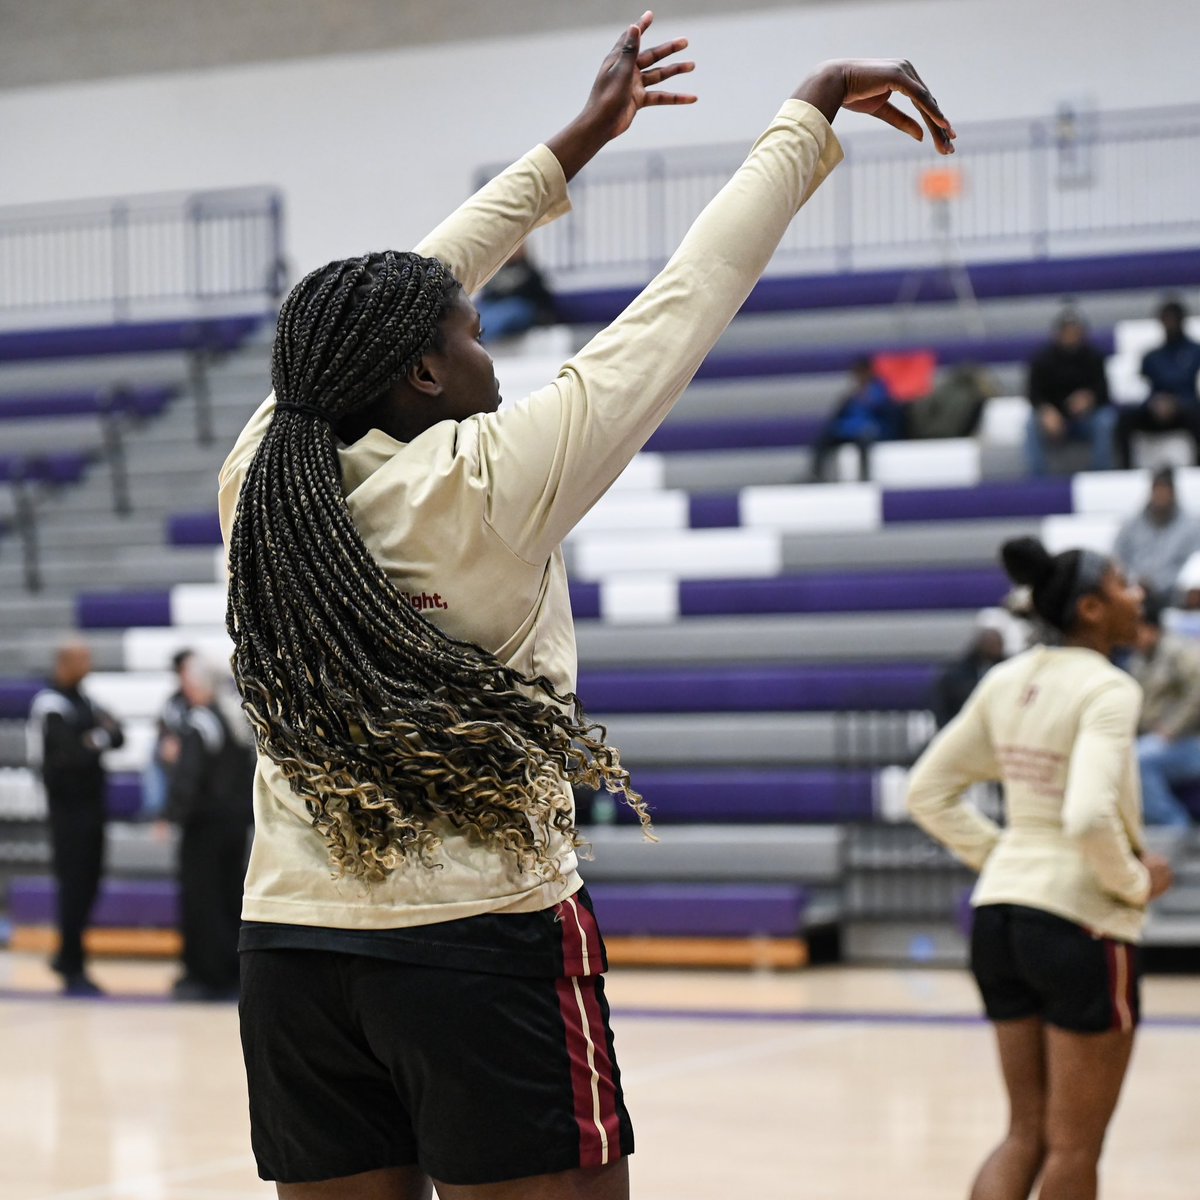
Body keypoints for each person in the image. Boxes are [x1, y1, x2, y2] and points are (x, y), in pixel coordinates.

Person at [218, 15, 955, 1198]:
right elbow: (689, 297)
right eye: (467, 333)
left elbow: (408, 285)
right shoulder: (492, 480)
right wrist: (801, 113)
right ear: (420, 372)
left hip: (291, 944)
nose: (485, 344)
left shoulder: (263, 467)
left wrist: (575, 143)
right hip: (479, 939)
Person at [907, 536, 1174, 1200]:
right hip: (1080, 925)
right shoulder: (1109, 688)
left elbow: (926, 793)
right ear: (1090, 609)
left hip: (999, 916)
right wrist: (1136, 884)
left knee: (1024, 1134)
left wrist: (1008, 859)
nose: (1138, 591)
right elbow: (1086, 817)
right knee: (1075, 1146)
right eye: (1122, 584)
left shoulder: (1007, 678)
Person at [26, 640, 124, 996]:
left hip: (92, 809)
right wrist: (97, 739)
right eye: (83, 658)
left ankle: (68, 955)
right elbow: (67, 758)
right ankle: (71, 963)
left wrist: (92, 741)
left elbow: (118, 734)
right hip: (67, 814)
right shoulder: (51, 705)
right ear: (64, 663)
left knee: (90, 884)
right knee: (74, 888)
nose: (90, 663)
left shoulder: (85, 700)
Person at [167, 657, 256, 1000]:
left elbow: (189, 777)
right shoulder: (234, 718)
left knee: (202, 899)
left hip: (205, 827)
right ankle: (230, 971)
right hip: (234, 825)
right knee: (229, 896)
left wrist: (173, 814)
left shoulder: (199, 722)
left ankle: (205, 974)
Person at [1128, 594, 1200, 828]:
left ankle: (1175, 827)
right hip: (1157, 740)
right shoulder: (1139, 659)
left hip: (1188, 739)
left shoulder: (1180, 651)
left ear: (1151, 628)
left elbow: (1197, 694)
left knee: (1138, 760)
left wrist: (1171, 728)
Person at [1024, 311, 1117, 476]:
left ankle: (1102, 474)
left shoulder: (1094, 357)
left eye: (1075, 332)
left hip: (1086, 419)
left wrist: (1090, 398)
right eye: (1067, 332)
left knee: (1106, 420)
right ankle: (1038, 478)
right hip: (1055, 420)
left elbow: (1105, 392)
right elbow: (1033, 393)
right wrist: (1047, 411)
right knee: (1031, 424)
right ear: (1057, 334)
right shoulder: (1042, 359)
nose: (1071, 337)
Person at [1114, 299, 1200, 469]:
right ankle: (1125, 469)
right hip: (1155, 409)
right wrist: (1154, 403)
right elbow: (1141, 387)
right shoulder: (1152, 356)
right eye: (1165, 320)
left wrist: (1176, 403)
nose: (1169, 324)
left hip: (1186, 409)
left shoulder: (1195, 351)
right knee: (1124, 419)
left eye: (1173, 319)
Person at [1112, 466, 1200, 599]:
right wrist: (1135, 580)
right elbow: (1116, 559)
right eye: (1157, 490)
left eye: (1165, 491)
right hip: (1133, 591)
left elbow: (1192, 566)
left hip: (1173, 595)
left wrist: (1157, 583)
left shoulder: (1191, 526)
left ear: (1174, 493)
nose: (1161, 496)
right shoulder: (1131, 525)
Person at [810, 356, 904, 481]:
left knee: (864, 441)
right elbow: (839, 415)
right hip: (849, 429)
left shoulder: (881, 393)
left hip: (870, 430)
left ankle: (864, 476)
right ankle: (817, 475)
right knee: (825, 438)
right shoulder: (852, 395)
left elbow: (889, 414)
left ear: (869, 372)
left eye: (861, 373)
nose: (859, 377)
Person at [140, 647, 194, 821]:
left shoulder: (202, 699)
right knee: (155, 750)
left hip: (194, 749)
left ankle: (166, 808)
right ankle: (158, 808)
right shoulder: (175, 700)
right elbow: (163, 724)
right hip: (177, 750)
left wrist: (180, 743)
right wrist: (168, 739)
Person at [474, 243, 557, 342]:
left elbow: (542, 298)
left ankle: (480, 342)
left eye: (517, 247)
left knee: (503, 316)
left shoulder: (529, 271)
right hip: (495, 306)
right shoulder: (494, 272)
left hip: (520, 307)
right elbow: (487, 295)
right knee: (476, 314)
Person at [930, 623, 1007, 729]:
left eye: (998, 644)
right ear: (979, 644)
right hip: (962, 728)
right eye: (990, 643)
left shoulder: (1009, 670)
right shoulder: (955, 673)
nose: (995, 647)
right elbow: (942, 708)